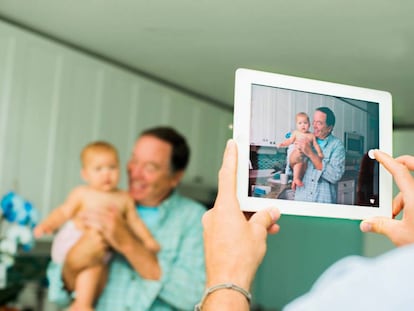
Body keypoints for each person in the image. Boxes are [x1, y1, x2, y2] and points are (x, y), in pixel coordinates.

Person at [198, 140, 414, 310]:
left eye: (320, 123)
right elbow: (292, 167)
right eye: (314, 123)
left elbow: (332, 175)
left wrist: (227, 278)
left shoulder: (368, 291)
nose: (315, 127)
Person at [46, 127, 207, 311]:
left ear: (175, 177)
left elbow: (194, 298)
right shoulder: (103, 202)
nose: (135, 173)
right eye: (134, 160)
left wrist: (129, 244)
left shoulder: (195, 219)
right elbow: (57, 296)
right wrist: (74, 261)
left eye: (150, 167)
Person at [34, 141, 160, 311]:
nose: (106, 174)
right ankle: (82, 304)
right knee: (92, 266)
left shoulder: (123, 198)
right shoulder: (82, 193)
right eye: (98, 169)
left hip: (102, 248)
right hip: (74, 241)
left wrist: (148, 240)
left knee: (101, 270)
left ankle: (83, 302)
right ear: (85, 174)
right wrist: (47, 224)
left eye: (112, 167)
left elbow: (135, 222)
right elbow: (64, 212)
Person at [288, 107, 345, 203]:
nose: (314, 126)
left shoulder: (337, 146)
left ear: (329, 128)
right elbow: (290, 167)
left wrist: (310, 153)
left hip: (323, 202)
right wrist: (297, 152)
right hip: (302, 200)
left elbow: (335, 176)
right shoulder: (303, 137)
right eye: (313, 121)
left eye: (319, 123)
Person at [277, 112, 324, 189]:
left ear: (309, 124)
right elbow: (289, 141)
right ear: (296, 125)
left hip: (303, 158)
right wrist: (282, 144)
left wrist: (319, 153)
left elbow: (316, 145)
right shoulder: (296, 133)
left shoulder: (311, 135)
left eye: (305, 123)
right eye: (300, 123)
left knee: (300, 166)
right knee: (297, 164)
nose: (303, 125)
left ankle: (296, 180)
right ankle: (294, 178)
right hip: (296, 155)